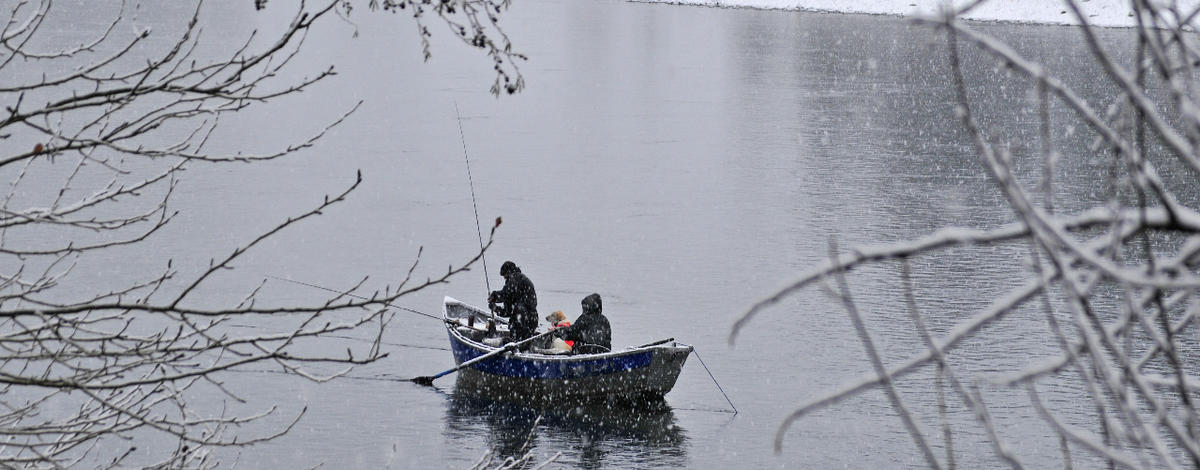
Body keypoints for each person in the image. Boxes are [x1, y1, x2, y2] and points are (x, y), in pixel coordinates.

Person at [488, 261, 538, 342]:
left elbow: (506, 294)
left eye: (504, 276)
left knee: (516, 343)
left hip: (521, 321)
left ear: (508, 273)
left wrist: (494, 297)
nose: (504, 279)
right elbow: (508, 311)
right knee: (523, 343)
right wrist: (495, 308)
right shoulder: (521, 280)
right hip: (532, 320)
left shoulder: (514, 280)